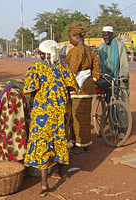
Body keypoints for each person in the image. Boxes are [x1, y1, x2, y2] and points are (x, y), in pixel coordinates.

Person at [23, 40, 78, 197]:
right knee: (61, 138)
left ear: (43, 54)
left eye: (39, 52)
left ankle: (44, 184)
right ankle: (62, 171)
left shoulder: (36, 68)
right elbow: (71, 88)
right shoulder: (62, 68)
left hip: (44, 112)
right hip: (62, 110)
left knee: (42, 142)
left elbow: (31, 91)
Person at [66, 22, 100, 155]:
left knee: (77, 117)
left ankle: (80, 146)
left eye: (71, 38)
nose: (70, 40)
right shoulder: (91, 50)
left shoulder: (76, 51)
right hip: (88, 86)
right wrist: (93, 80)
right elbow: (96, 70)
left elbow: (72, 71)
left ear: (77, 37)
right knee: (85, 117)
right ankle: (84, 144)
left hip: (78, 89)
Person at [98, 26, 130, 106]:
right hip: (106, 77)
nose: (105, 37)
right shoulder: (101, 47)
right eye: (104, 35)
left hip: (119, 76)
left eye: (107, 35)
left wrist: (124, 75)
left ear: (112, 34)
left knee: (122, 99)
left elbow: (124, 63)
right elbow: (99, 63)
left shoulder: (120, 46)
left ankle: (122, 117)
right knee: (108, 100)